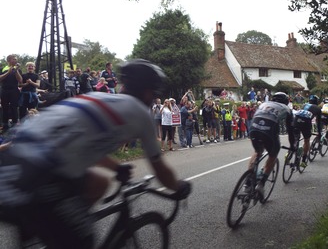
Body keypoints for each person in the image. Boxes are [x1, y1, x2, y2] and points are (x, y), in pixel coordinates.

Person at [0, 59, 191, 249]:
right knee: (83, 242)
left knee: (100, 182)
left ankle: (61, 225)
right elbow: (160, 170)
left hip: (12, 165)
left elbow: (83, 145)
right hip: (40, 178)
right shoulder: (140, 114)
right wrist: (178, 187)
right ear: (148, 92)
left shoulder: (96, 98)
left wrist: (116, 167)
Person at [245, 92, 295, 196]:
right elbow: (290, 131)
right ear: (286, 101)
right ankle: (261, 184)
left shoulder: (264, 104)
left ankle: (248, 182)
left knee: (257, 151)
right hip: (269, 131)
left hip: (254, 128)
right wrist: (292, 146)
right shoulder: (287, 109)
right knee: (273, 155)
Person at [293, 94, 322, 168]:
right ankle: (303, 160)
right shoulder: (318, 109)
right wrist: (319, 133)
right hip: (306, 122)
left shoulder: (304, 105)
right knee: (306, 141)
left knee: (296, 138)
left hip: (296, 120)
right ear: (316, 102)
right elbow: (319, 122)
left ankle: (290, 152)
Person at [0, 54, 22, 132]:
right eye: (14, 59)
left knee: (14, 107)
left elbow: (20, 80)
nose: (16, 60)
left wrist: (15, 71)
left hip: (14, 90)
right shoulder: (2, 68)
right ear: (8, 60)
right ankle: (5, 125)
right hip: (4, 90)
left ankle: (15, 124)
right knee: (4, 107)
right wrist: (8, 72)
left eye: (16, 59)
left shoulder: (18, 69)